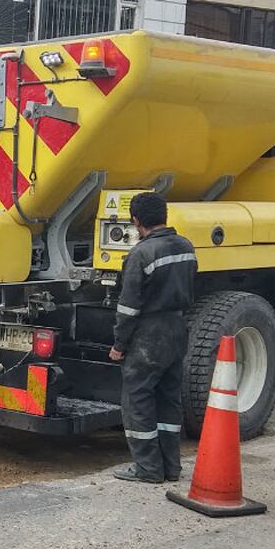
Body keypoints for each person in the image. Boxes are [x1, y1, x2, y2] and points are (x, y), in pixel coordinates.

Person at [109, 192, 197, 484]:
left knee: (138, 399)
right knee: (169, 399)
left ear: (136, 220)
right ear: (164, 214)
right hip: (177, 329)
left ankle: (147, 469)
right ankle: (171, 467)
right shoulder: (185, 246)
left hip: (149, 336)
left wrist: (119, 345)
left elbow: (128, 307)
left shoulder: (141, 254)